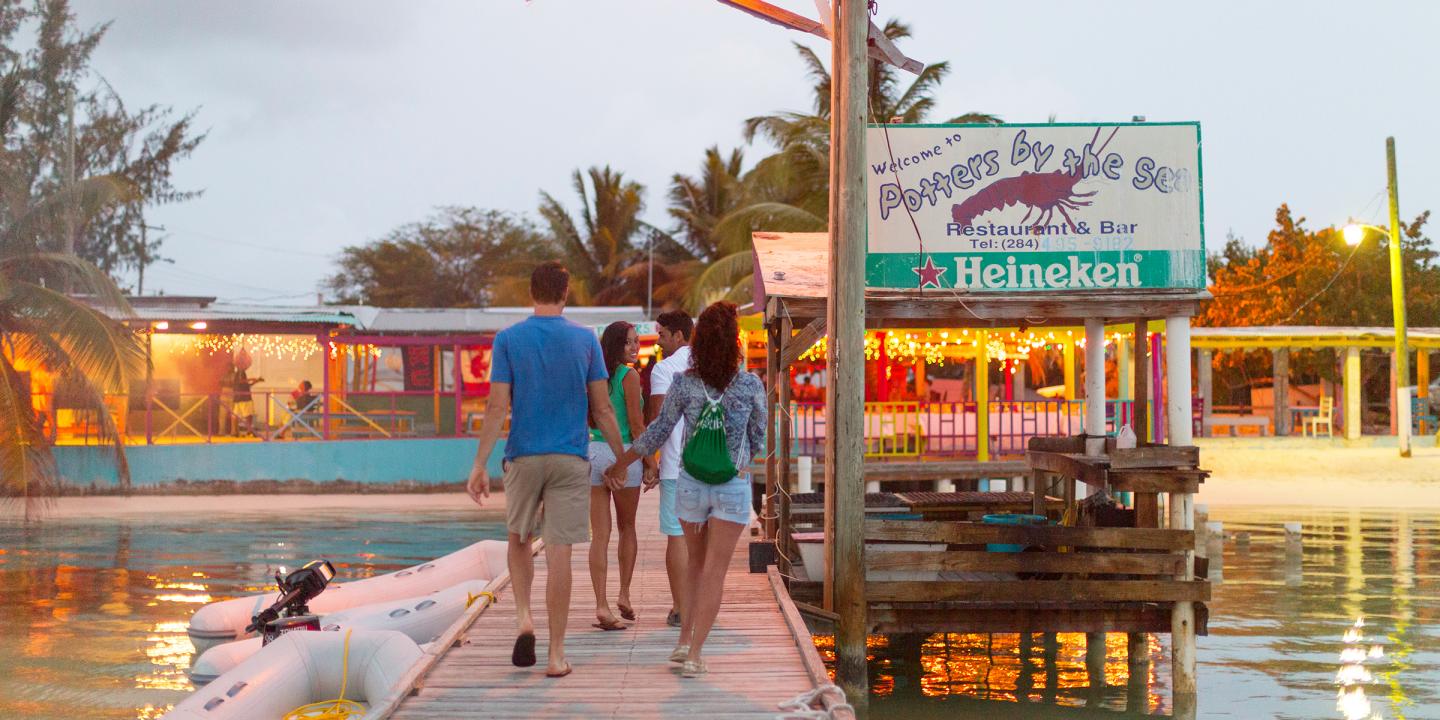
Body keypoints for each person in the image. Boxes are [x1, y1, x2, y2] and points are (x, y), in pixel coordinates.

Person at [466, 261, 626, 679]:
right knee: (560, 552)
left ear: (531, 292)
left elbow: (497, 406)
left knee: (518, 538)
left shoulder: (508, 340)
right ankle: (556, 656)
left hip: (523, 455)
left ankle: (523, 618)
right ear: (566, 292)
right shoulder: (584, 339)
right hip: (571, 458)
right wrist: (623, 456)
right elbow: (603, 408)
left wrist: (480, 463)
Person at [605, 301, 765, 679]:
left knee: (694, 565)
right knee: (715, 572)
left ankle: (683, 642)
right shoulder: (748, 383)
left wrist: (622, 463)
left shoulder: (684, 383)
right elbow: (759, 433)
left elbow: (658, 431)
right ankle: (693, 651)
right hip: (729, 485)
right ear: (734, 341)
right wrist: (742, 460)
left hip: (690, 482)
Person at [586, 321, 653, 630]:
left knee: (599, 535)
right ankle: (623, 595)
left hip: (595, 451)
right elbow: (638, 427)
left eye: (636, 341)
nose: (635, 347)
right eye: (629, 342)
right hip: (624, 453)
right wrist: (650, 462)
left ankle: (601, 604)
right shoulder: (630, 377)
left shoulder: (593, 375)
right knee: (627, 527)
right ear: (616, 345)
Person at [645, 309, 693, 628]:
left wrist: (652, 464)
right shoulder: (715, 364)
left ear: (678, 335)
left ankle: (680, 607)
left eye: (662, 335)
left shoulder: (663, 370)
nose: (658, 341)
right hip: (714, 469)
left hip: (677, 467)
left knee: (677, 537)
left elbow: (661, 423)